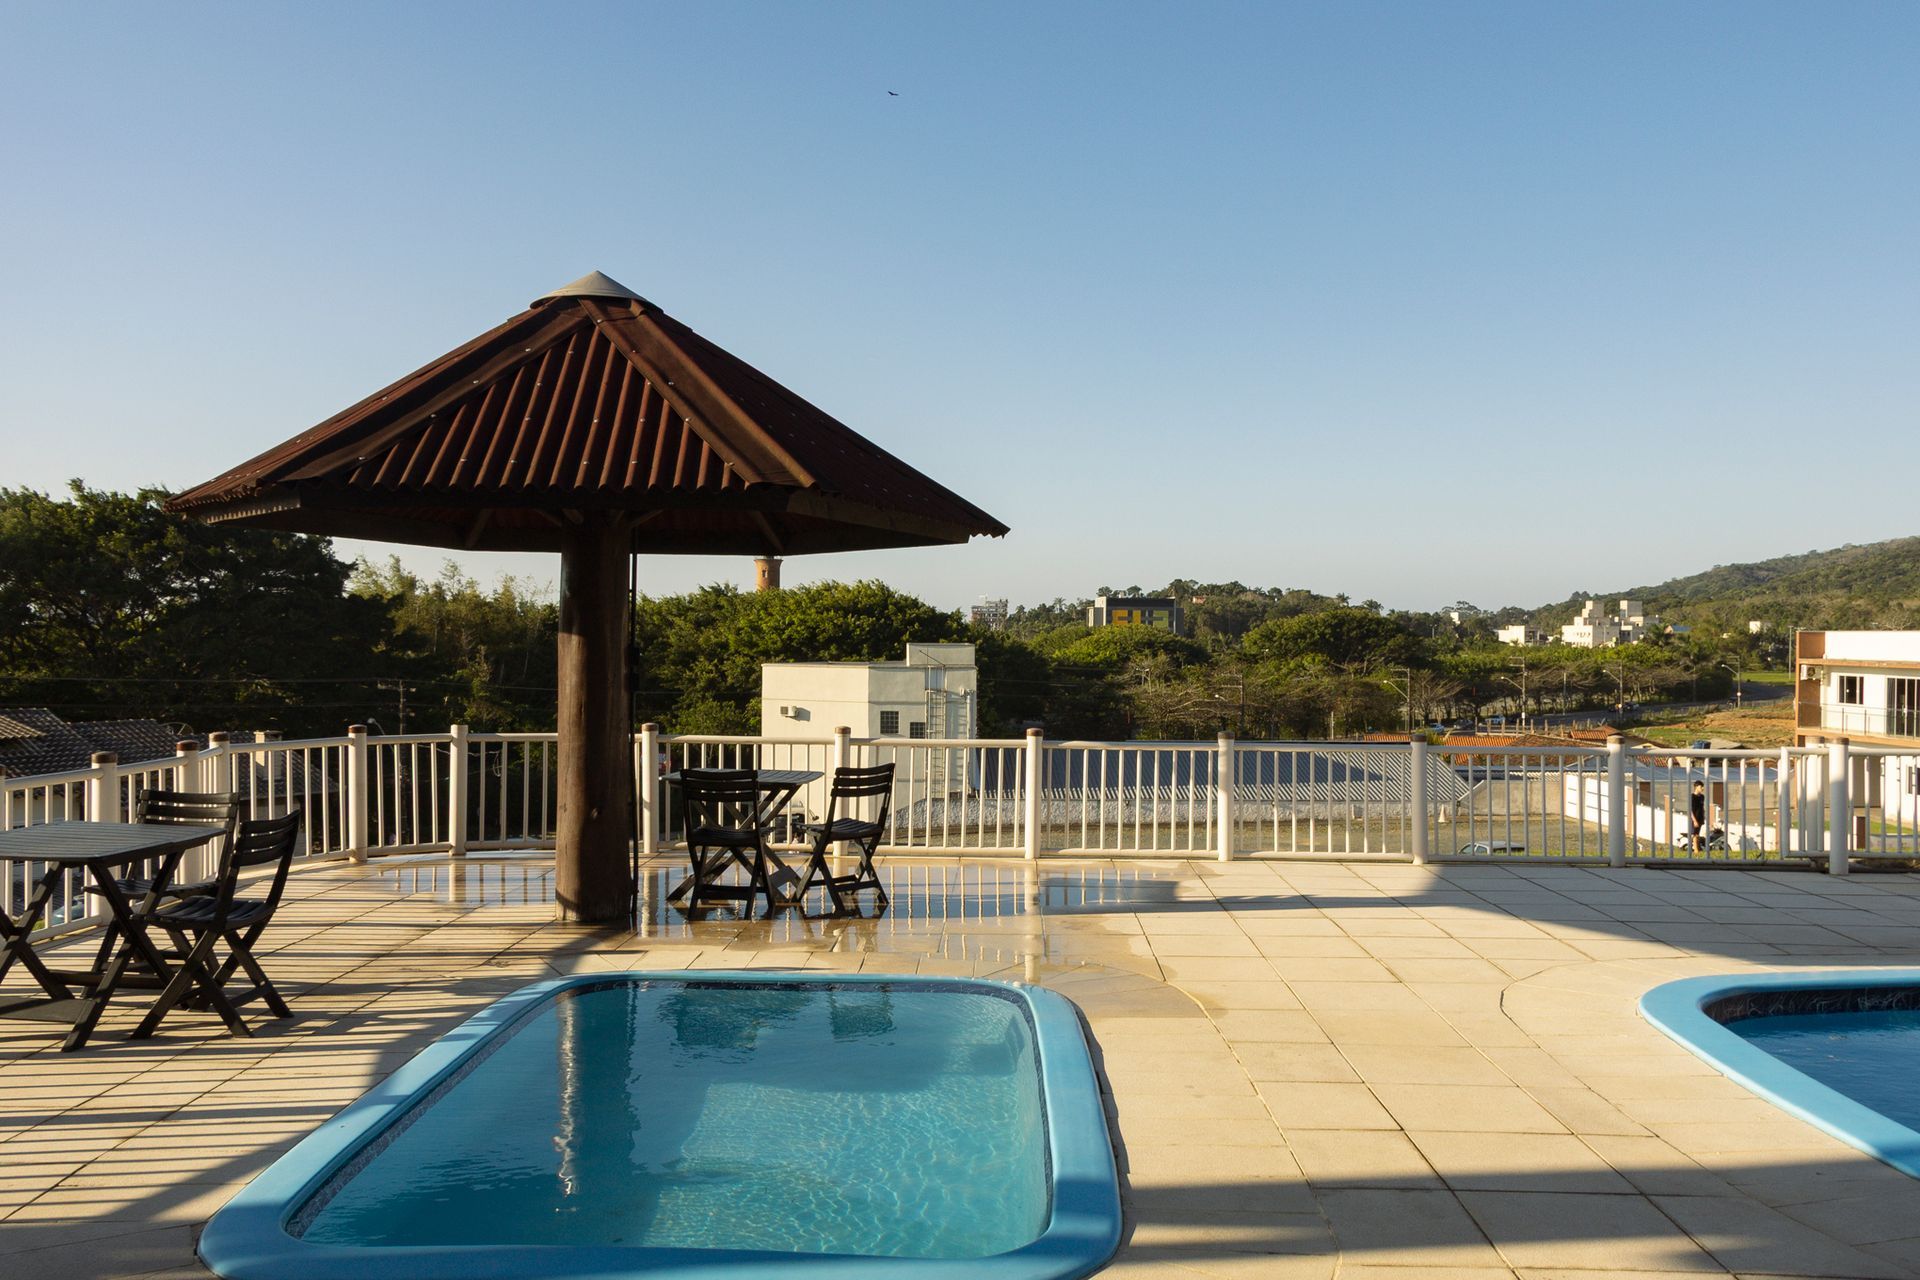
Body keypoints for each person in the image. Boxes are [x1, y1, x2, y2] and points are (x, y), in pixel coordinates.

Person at [1688, 780, 1708, 851]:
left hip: (1700, 818)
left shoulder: (1702, 796)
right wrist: (1694, 820)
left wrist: (1703, 816)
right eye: (1701, 787)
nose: (1702, 788)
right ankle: (1696, 850)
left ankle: (1697, 849)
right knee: (1694, 834)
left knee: (1697, 834)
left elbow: (1702, 807)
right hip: (1694, 818)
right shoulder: (1692, 797)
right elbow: (1690, 810)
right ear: (1696, 787)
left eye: (1703, 787)